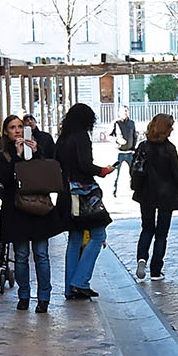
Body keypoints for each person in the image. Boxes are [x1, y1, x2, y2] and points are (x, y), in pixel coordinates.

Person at [0, 115, 62, 312]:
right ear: (6, 131)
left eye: (20, 127)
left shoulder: (37, 148)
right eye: (12, 127)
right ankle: (24, 295)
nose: (17, 131)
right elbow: (6, 180)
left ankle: (44, 297)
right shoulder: (3, 154)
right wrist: (17, 156)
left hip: (39, 208)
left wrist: (36, 152)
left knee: (41, 254)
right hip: (16, 210)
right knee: (21, 255)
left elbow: (47, 173)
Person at [54, 103, 115, 300]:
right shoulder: (82, 137)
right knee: (98, 235)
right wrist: (103, 171)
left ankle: (70, 288)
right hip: (84, 194)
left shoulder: (62, 139)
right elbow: (85, 165)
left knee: (74, 239)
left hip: (66, 192)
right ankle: (80, 282)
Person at [130, 113, 178, 281]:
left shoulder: (143, 147)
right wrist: (177, 189)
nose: (172, 129)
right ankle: (155, 270)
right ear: (165, 129)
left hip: (146, 194)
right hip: (167, 196)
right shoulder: (169, 149)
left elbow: (135, 168)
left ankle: (141, 258)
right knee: (161, 234)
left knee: (147, 228)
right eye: (170, 126)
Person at [110, 108, 138, 196]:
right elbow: (110, 135)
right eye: (124, 111)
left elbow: (134, 136)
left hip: (130, 152)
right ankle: (113, 191)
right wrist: (117, 141)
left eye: (127, 111)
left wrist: (133, 148)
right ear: (119, 113)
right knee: (115, 173)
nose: (126, 113)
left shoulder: (132, 123)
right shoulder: (116, 123)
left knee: (133, 172)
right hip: (119, 152)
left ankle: (134, 189)